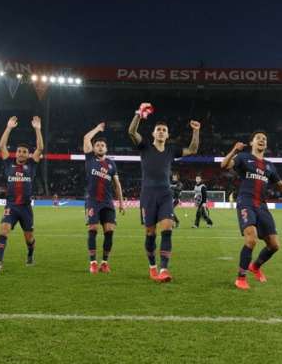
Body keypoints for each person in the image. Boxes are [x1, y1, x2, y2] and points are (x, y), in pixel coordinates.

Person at [127, 104, 200, 283]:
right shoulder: (144, 146)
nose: (161, 132)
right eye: (158, 129)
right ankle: (152, 266)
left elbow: (192, 150)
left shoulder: (171, 150)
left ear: (167, 135)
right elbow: (131, 132)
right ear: (153, 134)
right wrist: (138, 114)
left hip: (166, 194)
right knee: (150, 234)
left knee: (167, 229)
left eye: (164, 130)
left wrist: (196, 131)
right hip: (148, 196)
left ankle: (164, 269)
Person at [221, 133, 282, 290]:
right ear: (252, 142)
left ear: (266, 145)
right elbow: (224, 165)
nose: (262, 140)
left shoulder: (270, 166)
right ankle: (241, 278)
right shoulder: (243, 158)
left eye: (265, 139)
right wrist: (234, 150)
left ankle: (256, 266)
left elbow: (281, 187)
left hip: (262, 206)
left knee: (274, 245)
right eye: (258, 138)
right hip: (245, 202)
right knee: (251, 240)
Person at [0, 116, 43, 272]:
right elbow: (1, 145)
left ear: (28, 155)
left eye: (25, 152)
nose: (21, 154)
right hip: (11, 206)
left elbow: (40, 148)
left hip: (26, 208)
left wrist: (37, 129)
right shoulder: (9, 164)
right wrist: (8, 128)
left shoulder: (32, 165)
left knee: (29, 238)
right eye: (20, 151)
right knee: (3, 230)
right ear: (16, 153)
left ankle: (30, 254)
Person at [82, 122, 125, 274]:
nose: (100, 147)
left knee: (109, 231)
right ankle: (93, 262)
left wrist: (121, 203)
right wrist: (97, 129)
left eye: (102, 145)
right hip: (92, 201)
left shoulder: (111, 164)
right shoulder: (89, 158)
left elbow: (117, 184)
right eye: (98, 145)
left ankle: (104, 263)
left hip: (107, 202)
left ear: (106, 149)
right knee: (93, 229)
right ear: (94, 148)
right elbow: (86, 138)